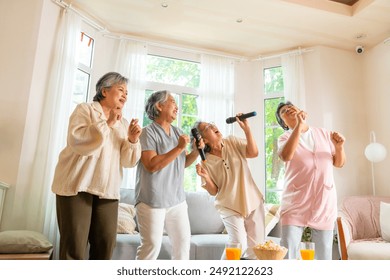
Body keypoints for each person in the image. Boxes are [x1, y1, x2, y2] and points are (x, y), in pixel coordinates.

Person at [51, 72, 142, 260]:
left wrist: (132, 140)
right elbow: (78, 140)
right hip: (77, 187)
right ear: (104, 91)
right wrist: (107, 123)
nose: (125, 95)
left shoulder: (123, 123)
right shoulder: (85, 110)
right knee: (74, 248)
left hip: (107, 191)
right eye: (120, 90)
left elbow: (127, 161)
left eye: (127, 92)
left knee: (106, 246)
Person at [275, 101, 346, 260]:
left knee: (324, 254)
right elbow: (286, 156)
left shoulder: (324, 134)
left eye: (291, 107)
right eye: (284, 112)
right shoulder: (284, 137)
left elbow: (339, 163)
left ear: (300, 110)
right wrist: (299, 127)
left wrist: (340, 147)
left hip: (324, 201)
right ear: (284, 124)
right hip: (295, 202)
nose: (289, 110)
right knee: (288, 250)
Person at [135, 90, 199, 260]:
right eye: (172, 101)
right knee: (151, 246)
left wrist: (196, 151)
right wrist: (178, 148)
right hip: (152, 201)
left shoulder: (178, 133)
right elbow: (151, 165)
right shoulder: (147, 132)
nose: (177, 106)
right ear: (159, 105)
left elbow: (181, 163)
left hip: (177, 201)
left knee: (183, 244)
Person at [193, 116, 265, 260]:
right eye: (208, 127)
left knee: (256, 249)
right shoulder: (205, 161)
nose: (214, 126)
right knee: (238, 244)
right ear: (203, 140)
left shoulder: (232, 141)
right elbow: (214, 191)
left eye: (212, 123)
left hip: (252, 200)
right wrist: (206, 177)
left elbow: (253, 153)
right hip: (228, 205)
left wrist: (247, 130)